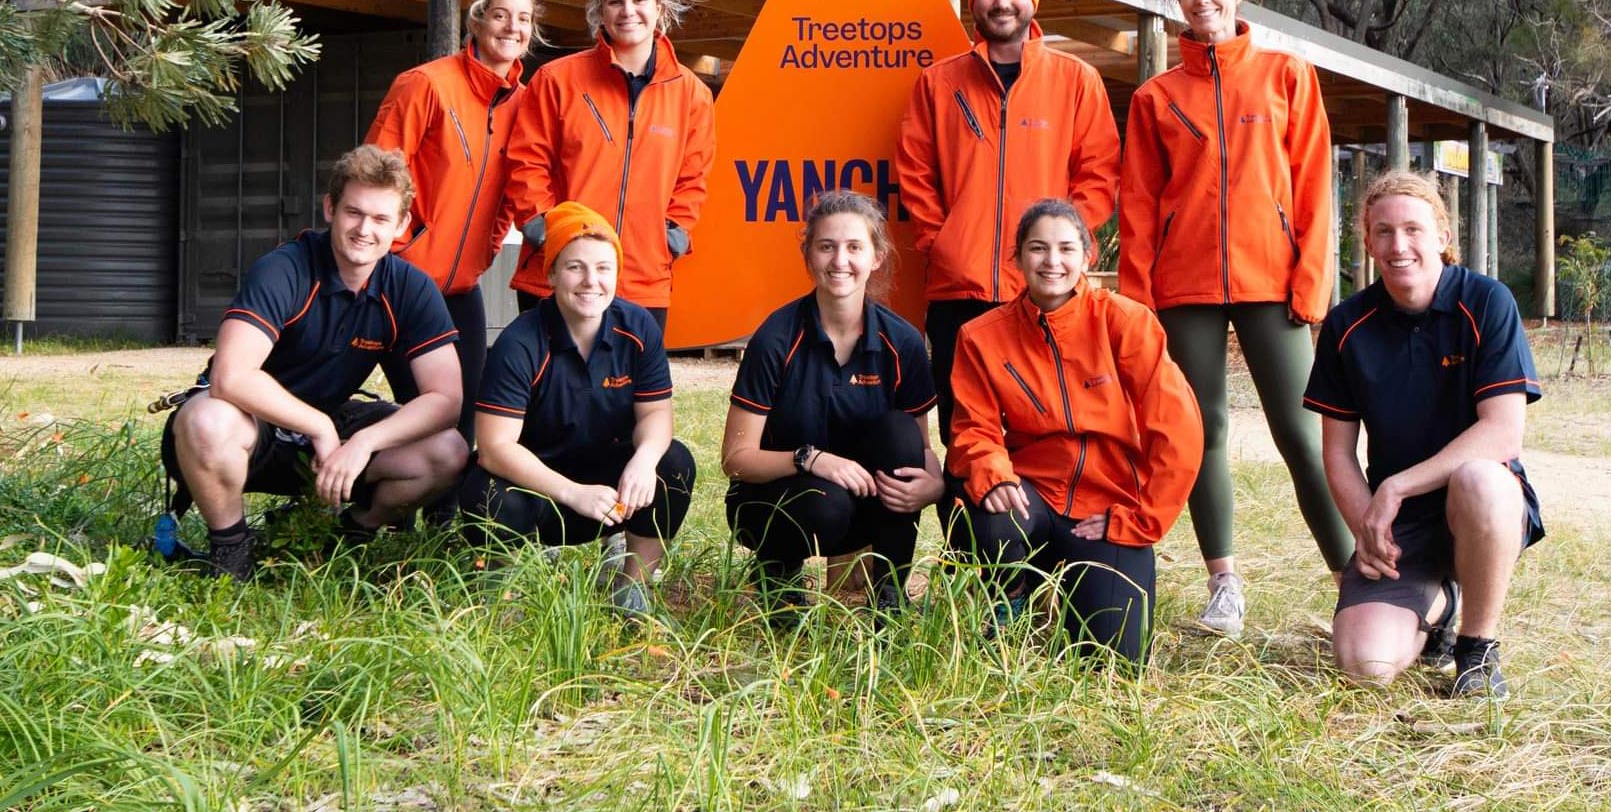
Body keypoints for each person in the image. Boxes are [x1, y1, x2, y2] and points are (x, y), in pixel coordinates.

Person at [1119, 0, 1352, 637]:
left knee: (1304, 435)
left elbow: (1314, 191)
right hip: (1182, 287)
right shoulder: (1155, 98)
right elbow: (1135, 207)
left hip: (1271, 283)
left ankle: (1357, 580)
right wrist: (1135, 304)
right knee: (1200, 432)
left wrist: (1310, 286)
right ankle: (1223, 585)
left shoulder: (1285, 75)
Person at [160, 146, 470, 581]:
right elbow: (231, 376)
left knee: (449, 449)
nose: (365, 230)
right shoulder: (285, 268)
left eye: (381, 219)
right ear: (330, 208)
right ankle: (230, 551)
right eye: (354, 213)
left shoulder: (409, 287)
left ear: (401, 225)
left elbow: (446, 398)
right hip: (253, 424)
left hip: (333, 428)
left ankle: (349, 531)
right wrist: (319, 427)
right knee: (207, 420)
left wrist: (362, 443)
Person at [1303, 171, 1543, 699]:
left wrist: (1394, 487)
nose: (1398, 245)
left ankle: (1477, 650)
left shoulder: (1486, 302)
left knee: (1480, 480)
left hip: (1477, 509)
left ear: (1442, 236)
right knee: (1363, 664)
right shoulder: (1347, 325)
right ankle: (1440, 604)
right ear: (1367, 242)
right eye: (1383, 231)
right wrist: (1369, 526)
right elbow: (1337, 453)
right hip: (1399, 525)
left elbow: (1502, 433)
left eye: (1413, 228)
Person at [948, 199, 1204, 663]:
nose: (1052, 262)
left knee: (1114, 663)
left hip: (1108, 503)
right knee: (985, 516)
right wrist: (993, 473)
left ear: (1089, 255)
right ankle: (1010, 596)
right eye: (1038, 249)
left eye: (1066, 248)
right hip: (1031, 494)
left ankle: (1072, 593)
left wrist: (1141, 518)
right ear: (1018, 257)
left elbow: (1178, 430)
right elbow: (973, 428)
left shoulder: (1126, 321)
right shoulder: (982, 336)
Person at [896, 0, 1120, 465]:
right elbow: (915, 172)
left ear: (1032, 0)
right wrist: (941, 242)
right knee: (963, 425)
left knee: (1048, 423)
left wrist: (1063, 252)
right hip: (961, 289)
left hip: (1046, 290)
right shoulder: (938, 83)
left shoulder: (1075, 80)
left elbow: (1099, 173)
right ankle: (962, 543)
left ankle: (1043, 539)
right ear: (974, 2)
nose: (1001, 1)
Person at [459, 201, 696, 617]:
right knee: (484, 492)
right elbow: (496, 447)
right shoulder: (520, 342)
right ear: (550, 273)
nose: (591, 281)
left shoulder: (638, 328)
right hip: (540, 489)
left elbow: (657, 415)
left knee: (673, 462)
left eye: (604, 268)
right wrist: (571, 493)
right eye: (575, 267)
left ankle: (632, 586)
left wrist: (643, 460)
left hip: (610, 490)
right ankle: (504, 584)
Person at [721, 190, 944, 618]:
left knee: (898, 432)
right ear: (809, 255)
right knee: (826, 502)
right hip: (775, 501)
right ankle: (778, 575)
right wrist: (810, 459)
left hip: (862, 503)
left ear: (876, 257)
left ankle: (890, 594)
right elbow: (735, 458)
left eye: (854, 247)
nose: (840, 260)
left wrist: (933, 485)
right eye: (827, 246)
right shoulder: (776, 337)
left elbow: (920, 447)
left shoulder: (903, 342)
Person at [503, 0, 715, 339]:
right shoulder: (557, 79)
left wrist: (674, 234)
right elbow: (526, 161)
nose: (627, 12)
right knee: (550, 398)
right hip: (559, 273)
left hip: (643, 279)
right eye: (615, 2)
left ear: (660, 8)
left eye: (639, 0)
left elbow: (693, 179)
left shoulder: (692, 94)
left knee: (631, 399)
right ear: (600, 12)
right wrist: (544, 227)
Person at [365, 0, 536, 441]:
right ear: (477, 21)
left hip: (462, 285)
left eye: (523, 18)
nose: (511, 27)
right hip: (403, 279)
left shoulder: (525, 105)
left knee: (469, 410)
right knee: (425, 409)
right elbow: (376, 175)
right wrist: (399, 249)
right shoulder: (426, 84)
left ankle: (450, 517)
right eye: (500, 14)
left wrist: (485, 249)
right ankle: (390, 505)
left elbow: (511, 191)